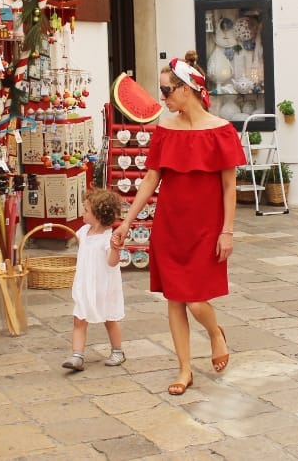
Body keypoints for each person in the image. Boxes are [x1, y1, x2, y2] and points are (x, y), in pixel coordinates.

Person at [111, 58, 245, 396]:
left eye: (167, 90)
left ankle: (215, 333)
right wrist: (127, 221)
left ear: (187, 90)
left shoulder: (221, 130)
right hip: (169, 226)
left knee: (197, 301)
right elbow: (151, 178)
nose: (163, 97)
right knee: (174, 299)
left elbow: (230, 187)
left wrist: (227, 231)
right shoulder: (165, 129)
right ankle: (184, 369)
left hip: (206, 227)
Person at [61, 187, 126, 371]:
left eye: (86, 209)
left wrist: (115, 249)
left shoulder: (108, 238)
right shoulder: (83, 231)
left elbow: (112, 262)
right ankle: (77, 355)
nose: (83, 212)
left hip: (103, 286)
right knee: (79, 318)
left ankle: (118, 351)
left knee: (109, 318)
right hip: (85, 284)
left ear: (98, 214)